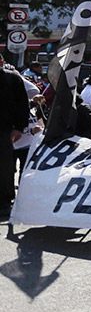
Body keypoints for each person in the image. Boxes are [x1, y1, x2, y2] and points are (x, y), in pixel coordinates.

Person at [0, 62, 30, 219]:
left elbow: (22, 105)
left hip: (4, 130)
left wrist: (19, 127)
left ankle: (4, 201)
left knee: (4, 167)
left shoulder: (12, 79)